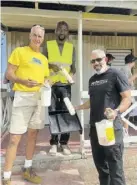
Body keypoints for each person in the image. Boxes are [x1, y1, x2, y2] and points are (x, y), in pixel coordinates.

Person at [76, 49, 131, 185]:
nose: (96, 63)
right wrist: (79, 107)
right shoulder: (92, 80)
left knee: (115, 166)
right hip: (95, 128)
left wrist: (116, 111)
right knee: (101, 166)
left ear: (105, 59)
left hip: (111, 127)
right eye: (93, 61)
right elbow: (92, 100)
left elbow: (127, 98)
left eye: (99, 59)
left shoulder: (116, 74)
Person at [2, 25, 49, 185]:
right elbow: (9, 74)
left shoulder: (43, 59)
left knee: (33, 135)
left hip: (39, 98)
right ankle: (6, 177)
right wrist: (23, 81)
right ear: (30, 36)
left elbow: (45, 78)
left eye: (40, 37)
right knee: (14, 138)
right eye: (35, 35)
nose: (37, 39)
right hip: (22, 97)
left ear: (43, 39)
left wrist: (49, 82)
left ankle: (27, 170)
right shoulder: (19, 52)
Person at [44, 21, 76, 155]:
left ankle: (64, 144)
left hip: (65, 86)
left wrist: (71, 78)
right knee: (53, 113)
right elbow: (42, 65)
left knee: (66, 114)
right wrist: (51, 67)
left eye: (65, 30)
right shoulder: (48, 45)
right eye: (60, 29)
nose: (62, 32)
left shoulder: (71, 47)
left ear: (67, 32)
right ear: (55, 31)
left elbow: (73, 68)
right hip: (51, 85)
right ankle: (54, 143)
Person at [121, 54, 137, 136]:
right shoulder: (125, 69)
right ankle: (125, 134)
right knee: (125, 115)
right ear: (132, 61)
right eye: (134, 61)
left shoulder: (127, 69)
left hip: (129, 96)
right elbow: (126, 82)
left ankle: (125, 133)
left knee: (126, 115)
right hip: (127, 96)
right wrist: (136, 75)